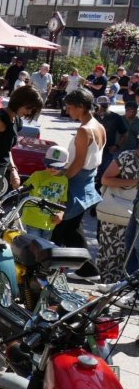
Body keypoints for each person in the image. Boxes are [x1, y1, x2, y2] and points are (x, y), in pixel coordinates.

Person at [56, 88, 105, 282]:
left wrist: (62, 179)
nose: (67, 111)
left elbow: (78, 163)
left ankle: (86, 270)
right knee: (72, 228)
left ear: (81, 107)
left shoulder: (85, 129)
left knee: (64, 227)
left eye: (69, 107)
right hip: (87, 179)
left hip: (76, 181)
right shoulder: (98, 125)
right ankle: (87, 270)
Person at [97, 147, 139, 284]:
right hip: (115, 213)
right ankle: (107, 285)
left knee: (132, 255)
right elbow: (105, 180)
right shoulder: (126, 157)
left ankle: (125, 288)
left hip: (135, 217)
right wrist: (134, 182)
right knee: (110, 253)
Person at [20, 146, 69, 240]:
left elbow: (63, 200)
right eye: (49, 165)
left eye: (57, 166)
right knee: (34, 246)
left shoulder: (64, 180)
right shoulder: (38, 175)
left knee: (44, 247)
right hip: (33, 219)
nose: (52, 169)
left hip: (50, 222)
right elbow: (24, 189)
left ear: (65, 164)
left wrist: (61, 213)